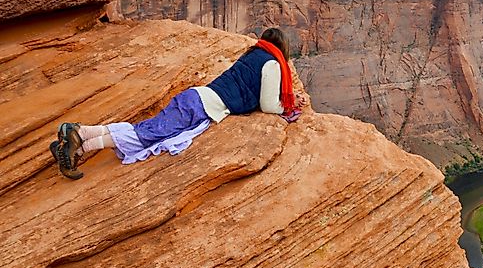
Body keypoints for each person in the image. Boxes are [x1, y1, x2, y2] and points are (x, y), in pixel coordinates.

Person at [52, 27, 305, 180]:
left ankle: (79, 134)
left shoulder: (252, 55)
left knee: (144, 130)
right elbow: (269, 105)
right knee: (145, 136)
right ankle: (79, 141)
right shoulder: (271, 63)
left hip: (196, 99)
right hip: (200, 106)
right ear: (282, 48)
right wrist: (289, 108)